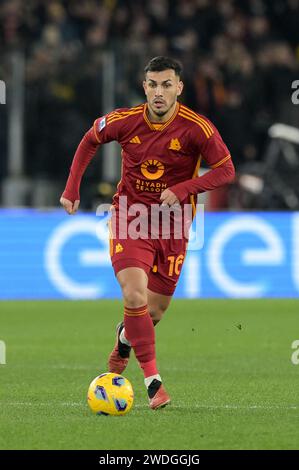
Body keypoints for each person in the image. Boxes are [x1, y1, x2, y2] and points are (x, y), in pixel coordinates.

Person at [60, 56, 235, 410]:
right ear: (145, 87)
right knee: (134, 295)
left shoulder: (197, 128)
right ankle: (154, 383)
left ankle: (125, 339)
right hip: (131, 218)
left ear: (179, 88)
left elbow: (226, 170)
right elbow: (89, 140)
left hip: (173, 227)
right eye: (153, 85)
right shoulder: (125, 120)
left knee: (152, 313)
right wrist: (72, 188)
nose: (159, 92)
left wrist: (186, 188)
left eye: (166, 85)